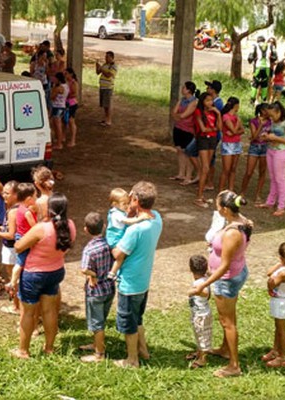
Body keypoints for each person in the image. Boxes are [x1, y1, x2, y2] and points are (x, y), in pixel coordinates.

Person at [189, 191, 251, 378]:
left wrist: (202, 285)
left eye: (217, 205)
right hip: (237, 272)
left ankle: (234, 365)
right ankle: (225, 349)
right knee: (229, 318)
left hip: (226, 280)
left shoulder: (232, 233)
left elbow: (224, 267)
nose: (215, 207)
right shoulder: (242, 221)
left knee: (227, 322)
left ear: (225, 209)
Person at [11, 193, 76, 359]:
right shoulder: (70, 225)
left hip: (34, 274)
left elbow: (18, 246)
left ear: (50, 209)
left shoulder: (42, 228)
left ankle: (23, 351)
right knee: (49, 311)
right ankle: (49, 348)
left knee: (28, 313)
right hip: (55, 271)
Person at [110, 181, 162, 368]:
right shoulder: (156, 218)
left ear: (136, 199)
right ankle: (143, 350)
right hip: (143, 280)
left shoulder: (135, 229)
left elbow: (117, 253)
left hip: (130, 283)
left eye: (131, 197)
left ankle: (132, 359)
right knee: (138, 317)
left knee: (129, 322)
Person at [76, 211, 115, 363]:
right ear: (104, 226)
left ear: (85, 229)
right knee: (102, 318)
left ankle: (99, 354)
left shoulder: (89, 249)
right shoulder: (109, 244)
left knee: (96, 323)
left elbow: (84, 269)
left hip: (96, 291)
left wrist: (94, 274)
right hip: (110, 288)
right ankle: (96, 344)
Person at [256, 101, 285, 217]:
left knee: (280, 179)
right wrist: (267, 137)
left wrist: (276, 138)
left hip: (281, 153)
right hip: (271, 151)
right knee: (273, 178)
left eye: (272, 115)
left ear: (279, 112)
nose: (271, 118)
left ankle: (281, 206)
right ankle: (270, 202)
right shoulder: (274, 121)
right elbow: (274, 135)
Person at [262, 242, 285, 368]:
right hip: (279, 299)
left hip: (281, 301)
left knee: (281, 330)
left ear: (281, 256)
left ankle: (283, 356)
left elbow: (271, 284)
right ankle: (276, 350)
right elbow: (269, 272)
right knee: (277, 328)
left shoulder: (284, 272)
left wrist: (270, 283)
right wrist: (280, 263)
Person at [5, 183, 37, 298]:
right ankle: (12, 282)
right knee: (20, 262)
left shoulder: (19, 209)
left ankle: (13, 281)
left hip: (19, 236)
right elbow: (35, 228)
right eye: (35, 197)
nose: (36, 199)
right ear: (28, 199)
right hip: (25, 239)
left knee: (21, 260)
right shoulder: (27, 212)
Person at [0, 180, 20, 314]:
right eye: (3, 192)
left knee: (13, 278)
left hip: (11, 248)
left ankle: (16, 306)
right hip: (15, 248)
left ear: (16, 194)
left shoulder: (13, 211)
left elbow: (11, 235)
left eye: (7, 193)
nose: (4, 195)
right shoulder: (18, 208)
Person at [193, 92, 222, 208]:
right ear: (202, 102)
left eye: (211, 100)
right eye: (207, 101)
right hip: (203, 139)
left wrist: (218, 114)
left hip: (213, 139)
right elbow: (203, 129)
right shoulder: (198, 112)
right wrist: (213, 128)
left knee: (208, 167)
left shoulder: (214, 112)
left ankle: (201, 195)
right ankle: (198, 196)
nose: (209, 103)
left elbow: (220, 128)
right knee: (205, 168)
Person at [240, 103, 271, 205]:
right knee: (249, 172)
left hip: (265, 147)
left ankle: (258, 194)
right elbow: (253, 137)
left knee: (262, 171)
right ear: (261, 111)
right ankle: (242, 192)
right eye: (266, 110)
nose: (268, 112)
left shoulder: (271, 122)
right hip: (255, 147)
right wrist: (260, 126)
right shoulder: (254, 121)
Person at [186, 255, 212, 369]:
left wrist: (194, 291)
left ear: (190, 269)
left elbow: (206, 293)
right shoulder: (205, 278)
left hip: (202, 315)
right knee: (198, 334)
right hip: (197, 313)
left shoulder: (200, 283)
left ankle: (203, 359)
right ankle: (199, 352)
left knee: (203, 336)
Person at [170, 81, 198, 183]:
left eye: (184, 88)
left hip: (188, 130)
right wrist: (178, 116)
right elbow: (174, 112)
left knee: (188, 152)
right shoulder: (182, 100)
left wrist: (178, 116)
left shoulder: (193, 102)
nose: (182, 89)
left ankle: (188, 175)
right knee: (179, 150)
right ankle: (181, 173)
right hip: (178, 127)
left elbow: (183, 115)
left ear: (188, 90)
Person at [219, 97, 244, 192]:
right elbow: (234, 129)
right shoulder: (226, 117)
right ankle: (221, 189)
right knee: (226, 169)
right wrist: (237, 122)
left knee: (233, 168)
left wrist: (235, 132)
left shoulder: (235, 117)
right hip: (228, 144)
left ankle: (231, 188)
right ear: (236, 106)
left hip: (236, 143)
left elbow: (242, 131)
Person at [248, 35, 277, 104]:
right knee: (264, 83)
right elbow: (275, 56)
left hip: (258, 66)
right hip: (267, 67)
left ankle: (252, 99)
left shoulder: (255, 45)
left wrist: (251, 60)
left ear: (258, 40)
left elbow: (250, 56)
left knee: (255, 83)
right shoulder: (271, 46)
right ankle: (264, 100)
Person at [96, 51, 117, 127]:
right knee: (104, 104)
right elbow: (98, 72)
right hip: (102, 86)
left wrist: (101, 69)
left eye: (107, 57)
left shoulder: (113, 66)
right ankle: (105, 118)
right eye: (105, 57)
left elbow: (108, 75)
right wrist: (97, 66)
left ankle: (109, 120)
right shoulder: (105, 65)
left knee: (107, 104)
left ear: (112, 57)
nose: (106, 58)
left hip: (108, 87)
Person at [50, 72, 69, 150]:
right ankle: (58, 140)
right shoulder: (66, 86)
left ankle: (59, 143)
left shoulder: (59, 88)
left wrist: (53, 88)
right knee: (57, 125)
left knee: (58, 126)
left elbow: (52, 97)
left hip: (58, 107)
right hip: (61, 106)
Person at [64, 68, 79, 147]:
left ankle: (73, 140)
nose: (65, 75)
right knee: (65, 120)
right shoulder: (66, 82)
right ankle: (64, 136)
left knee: (71, 121)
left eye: (66, 73)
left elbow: (75, 94)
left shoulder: (74, 83)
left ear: (71, 74)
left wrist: (66, 96)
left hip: (72, 104)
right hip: (65, 103)